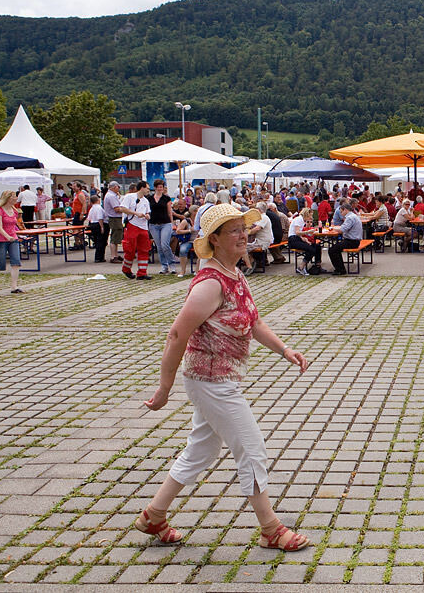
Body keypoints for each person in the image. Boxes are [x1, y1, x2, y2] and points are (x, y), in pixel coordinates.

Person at [138, 204, 310, 552]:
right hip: (209, 381)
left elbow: (255, 321)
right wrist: (164, 388)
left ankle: (153, 515)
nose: (243, 234)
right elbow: (176, 336)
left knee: (201, 449)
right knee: (251, 448)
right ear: (213, 240)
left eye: (243, 228)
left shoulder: (235, 275)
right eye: (233, 230)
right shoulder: (209, 284)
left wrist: (284, 350)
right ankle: (270, 529)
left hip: (221, 379)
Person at [0, 191, 24, 293]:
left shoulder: (14, 210)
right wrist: (7, 236)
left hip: (13, 239)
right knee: (0, 265)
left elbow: (14, 224)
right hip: (0, 240)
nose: (16, 198)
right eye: (14, 197)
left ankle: (14, 287)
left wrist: (17, 233)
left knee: (16, 262)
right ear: (8, 198)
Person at [117, 181, 152, 280]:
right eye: (147, 188)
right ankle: (126, 269)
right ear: (142, 188)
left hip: (143, 227)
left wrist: (147, 215)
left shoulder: (146, 201)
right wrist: (136, 213)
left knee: (144, 249)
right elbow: (123, 209)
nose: (148, 190)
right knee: (130, 249)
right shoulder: (129, 197)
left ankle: (142, 273)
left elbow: (148, 211)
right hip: (132, 225)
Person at [147, 179, 175, 275]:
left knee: (165, 245)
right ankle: (164, 265)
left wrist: (171, 223)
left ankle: (171, 264)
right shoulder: (149, 199)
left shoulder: (166, 198)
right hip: (153, 224)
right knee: (159, 246)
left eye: (161, 187)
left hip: (165, 223)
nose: (160, 189)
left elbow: (169, 211)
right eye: (158, 187)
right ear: (155, 188)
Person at [328, 202, 362, 276]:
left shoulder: (349, 218)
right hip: (354, 240)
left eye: (341, 211)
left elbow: (342, 230)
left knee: (332, 250)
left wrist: (333, 228)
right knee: (336, 248)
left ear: (345, 210)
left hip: (352, 241)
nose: (341, 213)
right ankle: (340, 268)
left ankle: (340, 269)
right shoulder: (353, 216)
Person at [288, 207, 322, 275]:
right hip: (293, 240)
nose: (311, 217)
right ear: (306, 214)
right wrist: (308, 232)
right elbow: (297, 232)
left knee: (317, 246)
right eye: (310, 215)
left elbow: (298, 234)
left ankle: (318, 265)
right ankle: (301, 267)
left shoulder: (301, 220)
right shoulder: (298, 219)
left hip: (297, 238)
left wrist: (304, 239)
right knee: (311, 249)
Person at [244, 202, 274, 276]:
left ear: (258, 210)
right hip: (259, 240)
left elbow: (257, 229)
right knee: (243, 246)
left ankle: (250, 265)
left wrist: (246, 233)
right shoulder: (262, 217)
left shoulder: (263, 217)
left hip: (262, 242)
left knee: (242, 248)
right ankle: (251, 262)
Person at [86, 194, 108, 262]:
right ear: (98, 200)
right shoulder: (99, 208)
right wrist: (102, 227)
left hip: (93, 224)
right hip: (99, 224)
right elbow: (100, 218)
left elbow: (89, 218)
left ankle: (99, 257)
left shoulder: (92, 208)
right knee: (101, 241)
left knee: (97, 241)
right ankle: (99, 257)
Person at [70, 182, 88, 249]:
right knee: (77, 228)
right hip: (76, 213)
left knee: (76, 228)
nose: (73, 188)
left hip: (79, 213)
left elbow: (84, 204)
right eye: (73, 186)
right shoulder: (76, 194)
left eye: (75, 186)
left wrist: (82, 213)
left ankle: (78, 243)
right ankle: (80, 243)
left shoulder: (80, 195)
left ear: (79, 187)